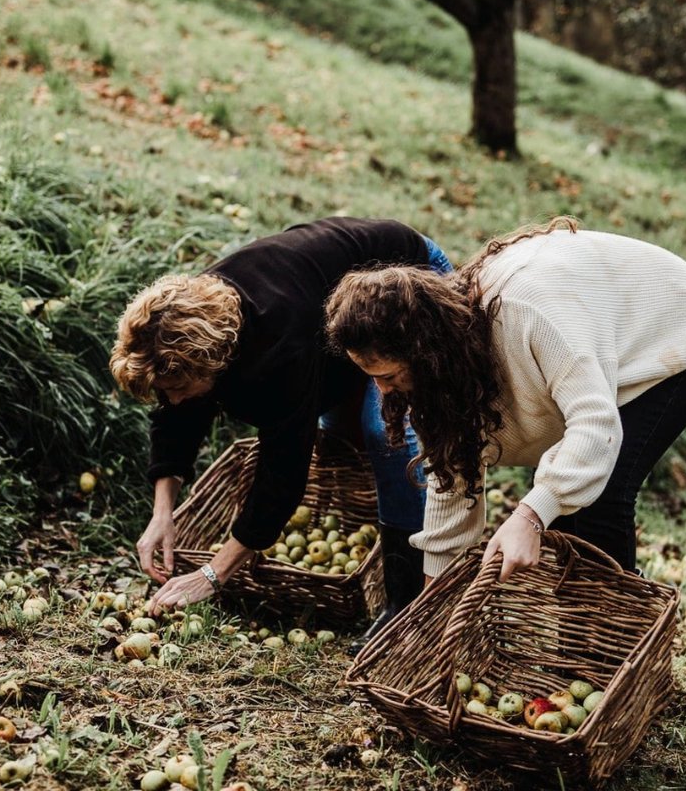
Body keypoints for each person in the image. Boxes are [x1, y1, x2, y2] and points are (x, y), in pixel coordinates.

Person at [324, 216, 686, 582]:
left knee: (601, 497)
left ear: (423, 351)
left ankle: (608, 645)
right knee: (572, 507)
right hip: (601, 341)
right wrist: (436, 596)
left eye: (389, 375)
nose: (382, 390)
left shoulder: (529, 317)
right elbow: (452, 482)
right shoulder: (442, 371)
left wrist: (529, 516)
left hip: (673, 325)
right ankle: (580, 639)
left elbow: (595, 426)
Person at [109, 217, 452, 642]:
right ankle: (383, 555)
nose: (173, 399)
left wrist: (213, 575)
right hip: (326, 309)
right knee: (341, 434)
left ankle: (406, 601)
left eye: (178, 387)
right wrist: (163, 512)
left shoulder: (276, 347)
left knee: (383, 431)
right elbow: (176, 413)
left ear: (214, 362)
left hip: (411, 278)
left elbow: (283, 469)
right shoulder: (185, 321)